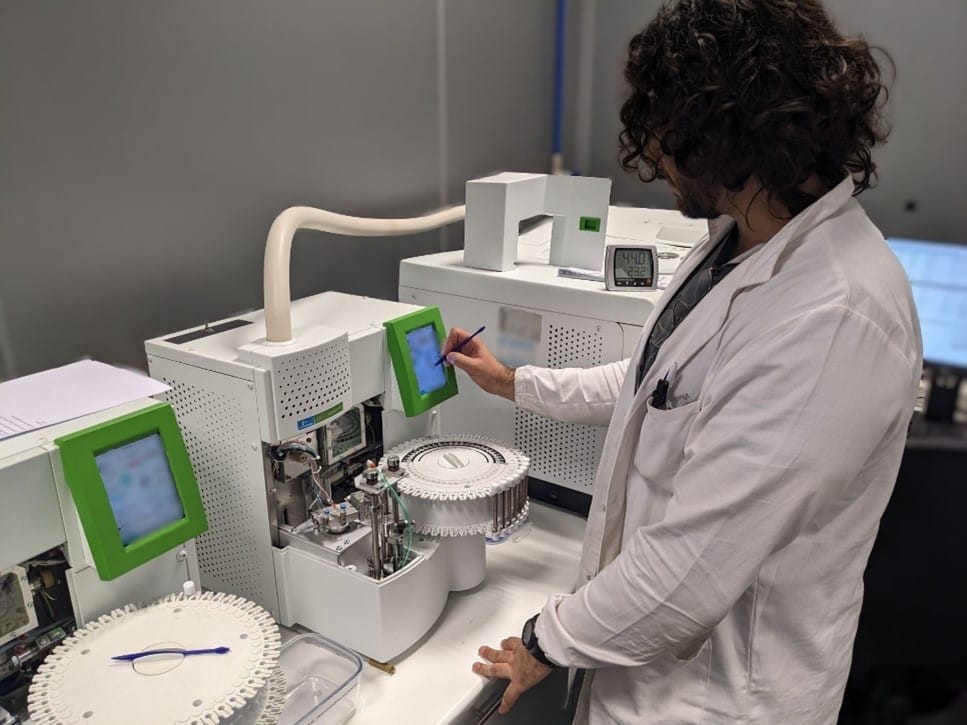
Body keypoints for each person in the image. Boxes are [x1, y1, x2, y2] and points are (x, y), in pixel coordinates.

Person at [445, 1, 922, 722]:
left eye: (665, 137)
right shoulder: (743, 238)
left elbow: (690, 571)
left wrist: (546, 638)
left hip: (714, 695)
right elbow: (657, 380)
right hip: (644, 663)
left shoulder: (831, 313)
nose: (658, 160)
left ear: (722, 138)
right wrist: (512, 379)